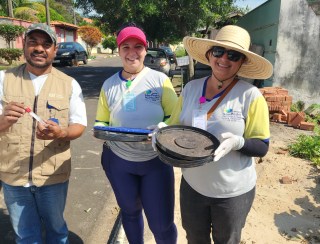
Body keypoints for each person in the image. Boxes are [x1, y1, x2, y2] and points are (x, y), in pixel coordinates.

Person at [165, 25, 273, 244]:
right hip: (193, 187)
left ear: (242, 62)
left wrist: (238, 142)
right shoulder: (190, 89)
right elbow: (174, 125)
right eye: (218, 52)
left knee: (227, 241)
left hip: (232, 193)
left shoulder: (250, 96)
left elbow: (262, 145)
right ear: (208, 54)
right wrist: (162, 130)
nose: (224, 59)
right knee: (195, 238)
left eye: (233, 55)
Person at [0, 23, 87, 243]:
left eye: (46, 44)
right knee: (25, 236)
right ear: (24, 47)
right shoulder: (4, 80)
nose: (40, 49)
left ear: (54, 50)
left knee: (57, 233)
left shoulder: (70, 84)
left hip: (52, 176)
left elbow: (79, 125)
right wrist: (2, 121)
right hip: (13, 175)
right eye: (33, 43)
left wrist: (61, 132)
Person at [94, 22, 178, 244]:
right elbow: (101, 121)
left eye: (138, 46)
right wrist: (103, 131)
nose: (132, 53)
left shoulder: (159, 80)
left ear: (145, 49)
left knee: (162, 224)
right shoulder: (109, 85)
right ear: (119, 50)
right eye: (126, 47)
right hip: (119, 161)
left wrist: (163, 128)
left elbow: (175, 116)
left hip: (155, 161)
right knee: (129, 213)